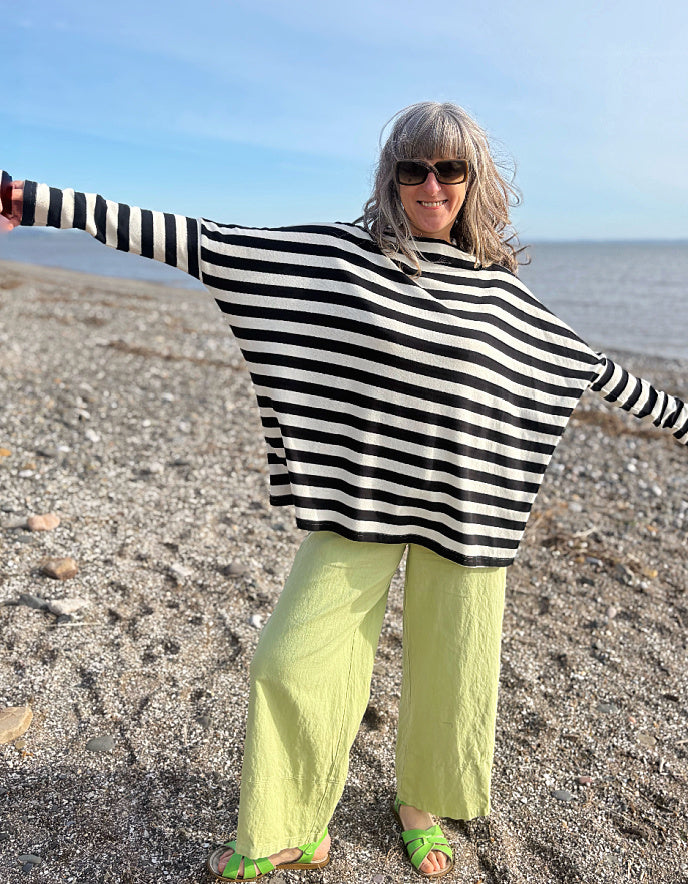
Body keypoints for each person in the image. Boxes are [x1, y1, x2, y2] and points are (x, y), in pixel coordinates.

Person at [1, 101, 686, 882]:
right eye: (414, 168)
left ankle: (420, 806)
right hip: (359, 505)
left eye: (450, 169)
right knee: (289, 661)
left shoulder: (504, 297)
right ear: (391, 178)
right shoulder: (344, 259)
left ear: (474, 180)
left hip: (466, 514)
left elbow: (592, 370)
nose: (432, 184)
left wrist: (684, 421)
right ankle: (293, 827)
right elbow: (201, 243)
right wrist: (33, 200)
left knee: (454, 673)